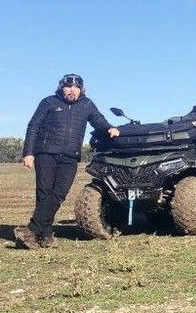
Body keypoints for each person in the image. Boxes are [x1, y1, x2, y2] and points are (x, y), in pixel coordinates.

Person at [16, 73, 120, 249]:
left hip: (70, 156)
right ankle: (45, 235)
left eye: (76, 87)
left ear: (81, 90)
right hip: (46, 154)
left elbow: (98, 121)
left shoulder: (87, 104)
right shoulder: (49, 102)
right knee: (44, 193)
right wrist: (28, 152)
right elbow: (33, 126)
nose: (72, 90)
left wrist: (110, 128)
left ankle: (34, 230)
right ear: (61, 88)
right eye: (68, 86)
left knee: (59, 195)